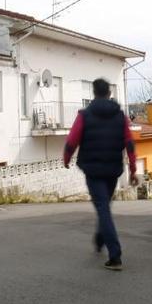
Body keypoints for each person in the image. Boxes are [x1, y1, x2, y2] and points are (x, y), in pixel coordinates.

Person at [64, 78, 137, 271]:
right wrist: (134, 169)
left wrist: (66, 157)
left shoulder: (85, 115)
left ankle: (115, 256)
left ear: (94, 93)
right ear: (109, 93)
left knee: (103, 207)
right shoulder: (120, 116)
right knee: (104, 206)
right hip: (113, 169)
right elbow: (129, 143)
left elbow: (73, 139)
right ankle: (99, 239)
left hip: (93, 170)